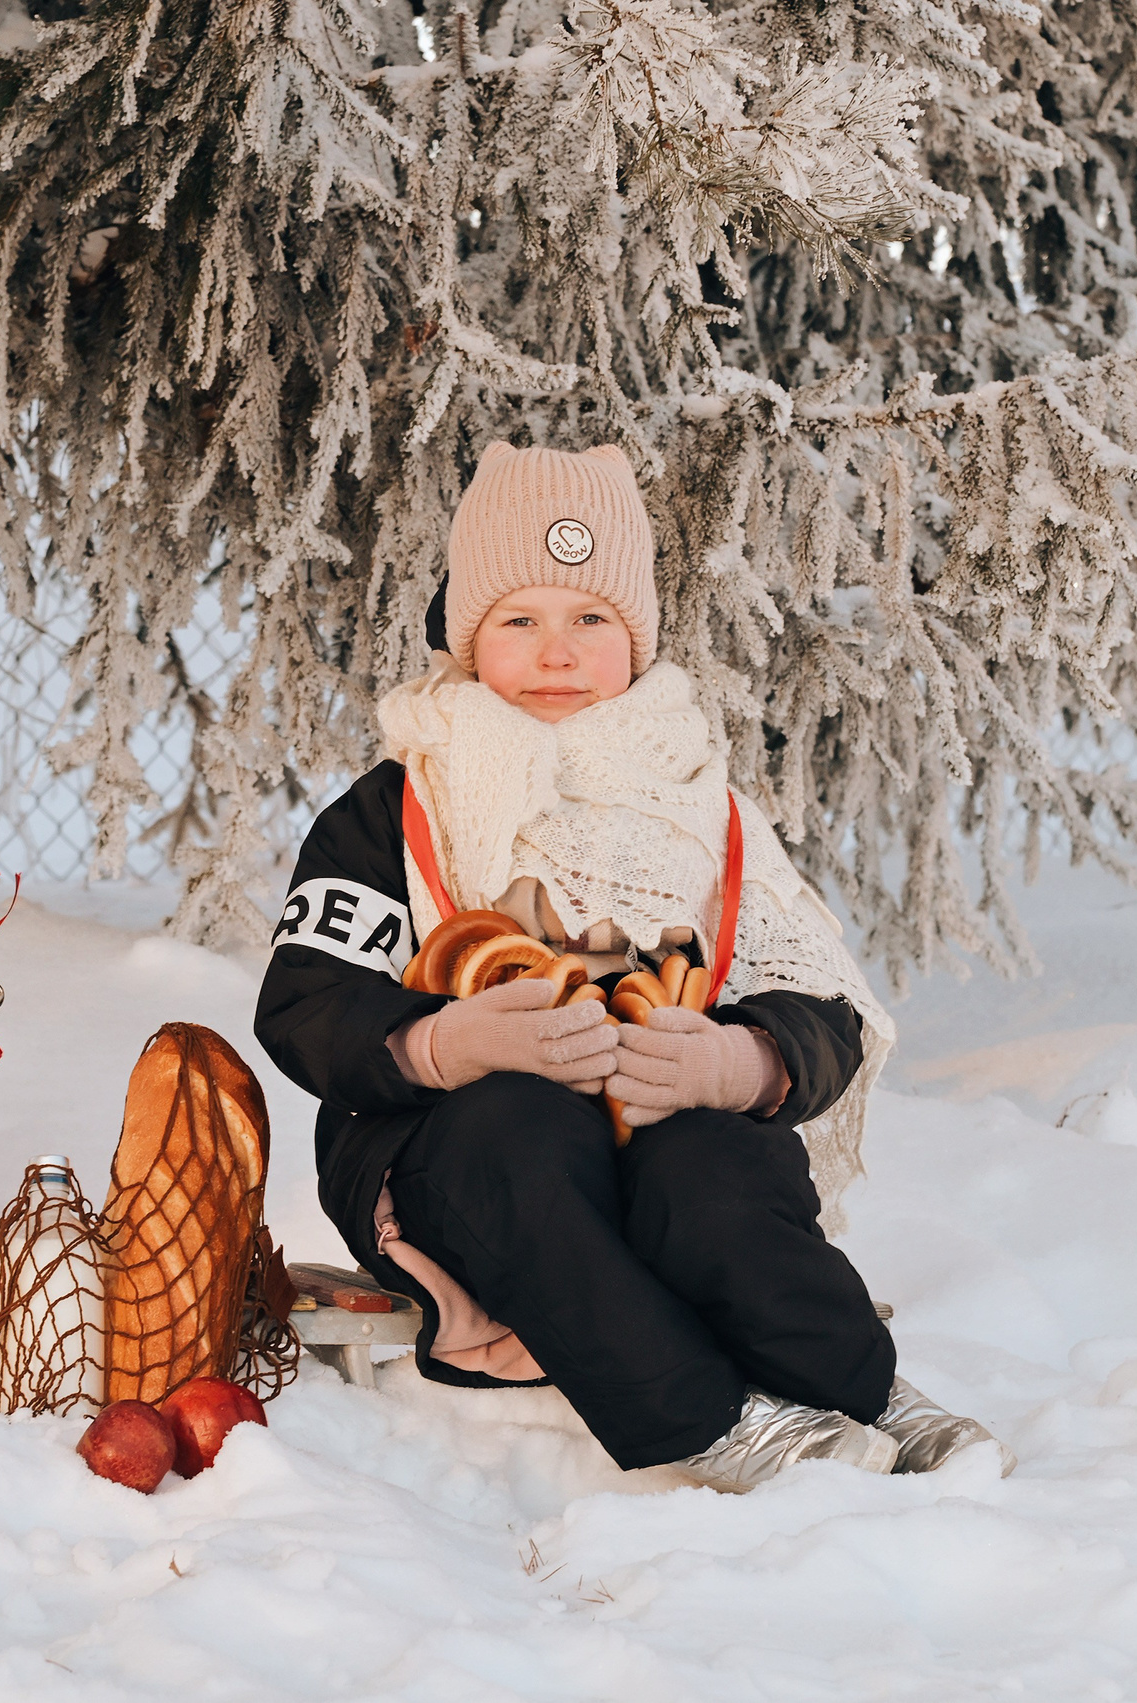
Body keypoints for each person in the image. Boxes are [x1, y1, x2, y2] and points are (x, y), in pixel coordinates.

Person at [254, 442, 1010, 1490]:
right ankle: (710, 1418)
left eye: (589, 620)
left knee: (716, 1162)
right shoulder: (400, 802)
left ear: (636, 637)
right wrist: (434, 1040)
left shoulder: (699, 804)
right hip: (445, 1154)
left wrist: (744, 1063)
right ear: (469, 635)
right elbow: (303, 1000)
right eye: (519, 619)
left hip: (649, 1136)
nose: (555, 651)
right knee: (515, 1133)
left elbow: (824, 1010)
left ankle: (863, 1388)